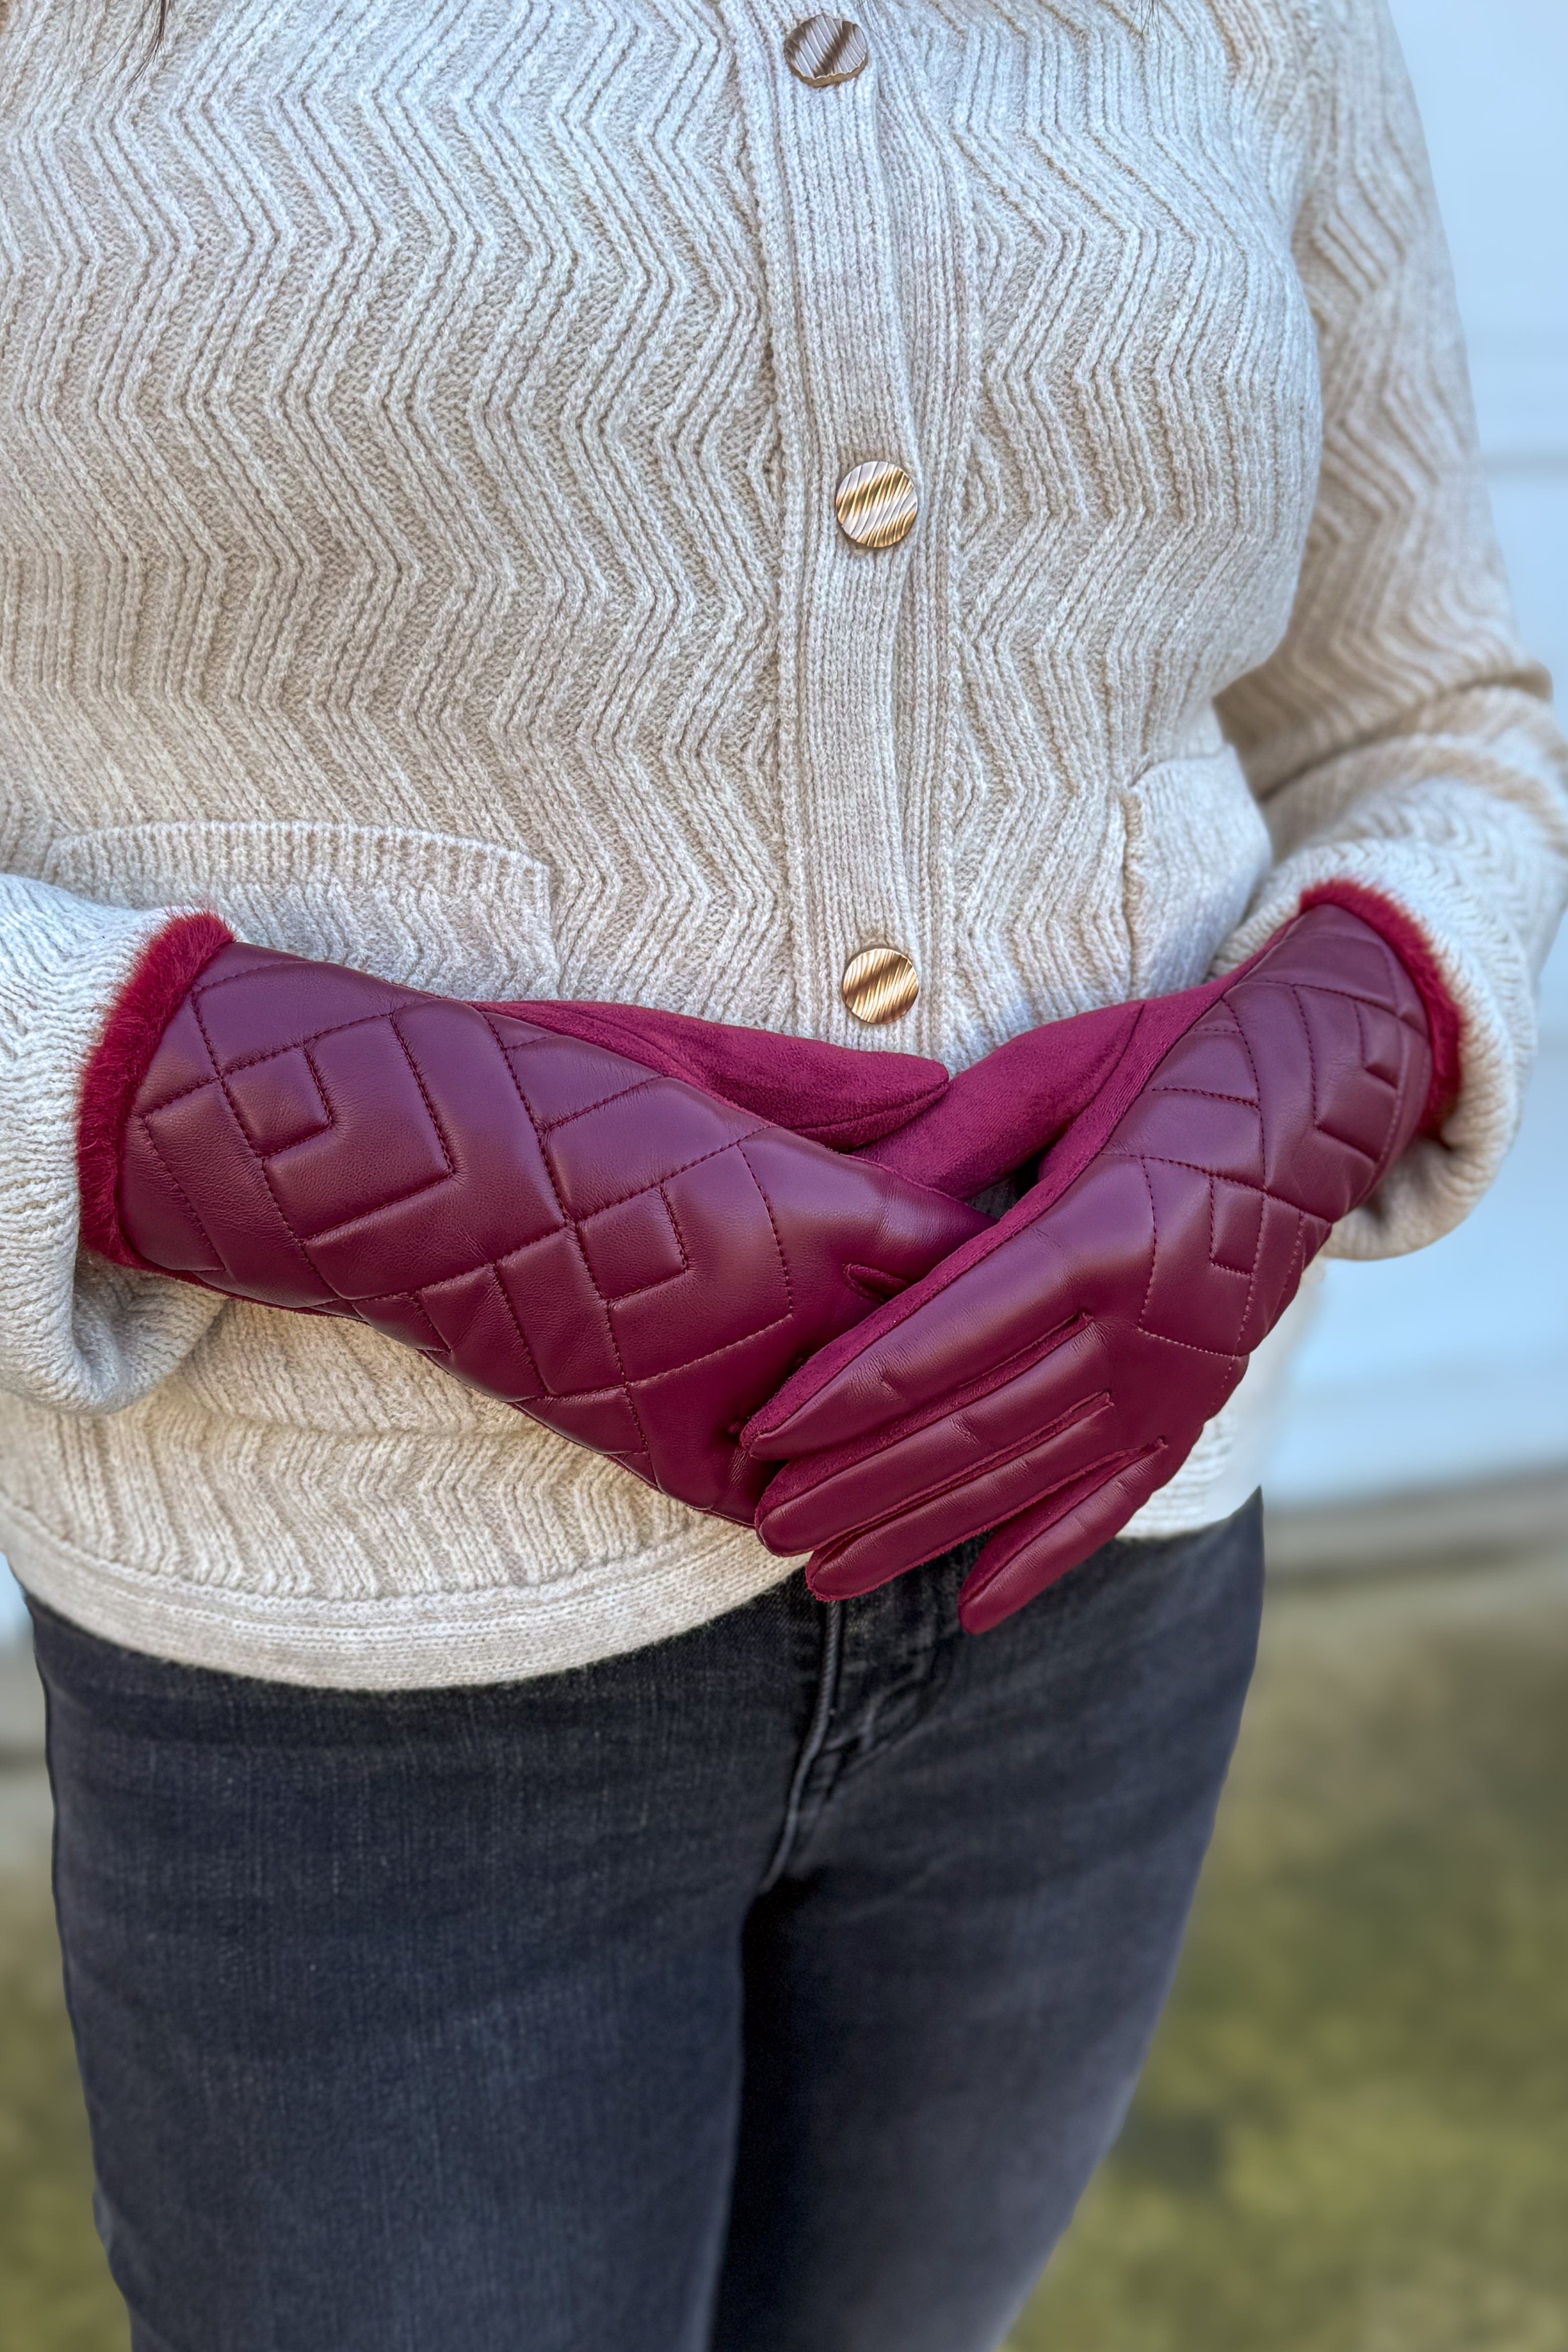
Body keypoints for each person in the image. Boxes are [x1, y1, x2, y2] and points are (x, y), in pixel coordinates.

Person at [2, 0, 1563, 2344]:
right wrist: (211, 1108)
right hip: (361, 1705)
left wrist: (1328, 1052)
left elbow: (1428, 717)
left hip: (1091, 1596)